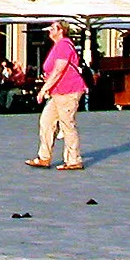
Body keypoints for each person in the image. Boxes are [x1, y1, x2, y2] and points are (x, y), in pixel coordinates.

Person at [27, 20, 87, 170]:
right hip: (58, 92)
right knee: (46, 121)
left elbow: (59, 70)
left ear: (61, 30)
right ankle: (44, 157)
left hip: (69, 91)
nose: (50, 31)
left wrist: (43, 89)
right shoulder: (57, 46)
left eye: (53, 28)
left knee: (67, 124)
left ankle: (74, 160)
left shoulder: (64, 45)